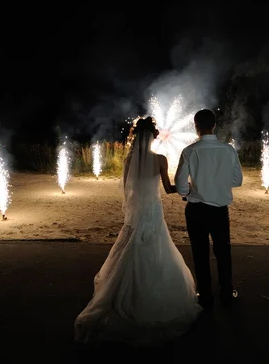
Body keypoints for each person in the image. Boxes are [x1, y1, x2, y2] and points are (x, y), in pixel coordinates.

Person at [74, 116, 202, 347]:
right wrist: (190, 189)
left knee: (130, 247)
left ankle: (118, 293)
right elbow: (168, 189)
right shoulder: (160, 159)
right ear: (153, 137)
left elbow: (127, 190)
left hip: (136, 214)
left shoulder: (129, 159)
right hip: (153, 211)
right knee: (156, 250)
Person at [174, 109, 243, 310]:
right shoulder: (228, 150)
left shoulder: (190, 151)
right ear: (214, 125)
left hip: (196, 209)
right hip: (220, 210)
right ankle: (227, 292)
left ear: (196, 126)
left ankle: (205, 295)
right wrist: (220, 184)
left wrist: (189, 191)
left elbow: (180, 184)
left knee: (200, 252)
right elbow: (237, 180)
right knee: (223, 251)